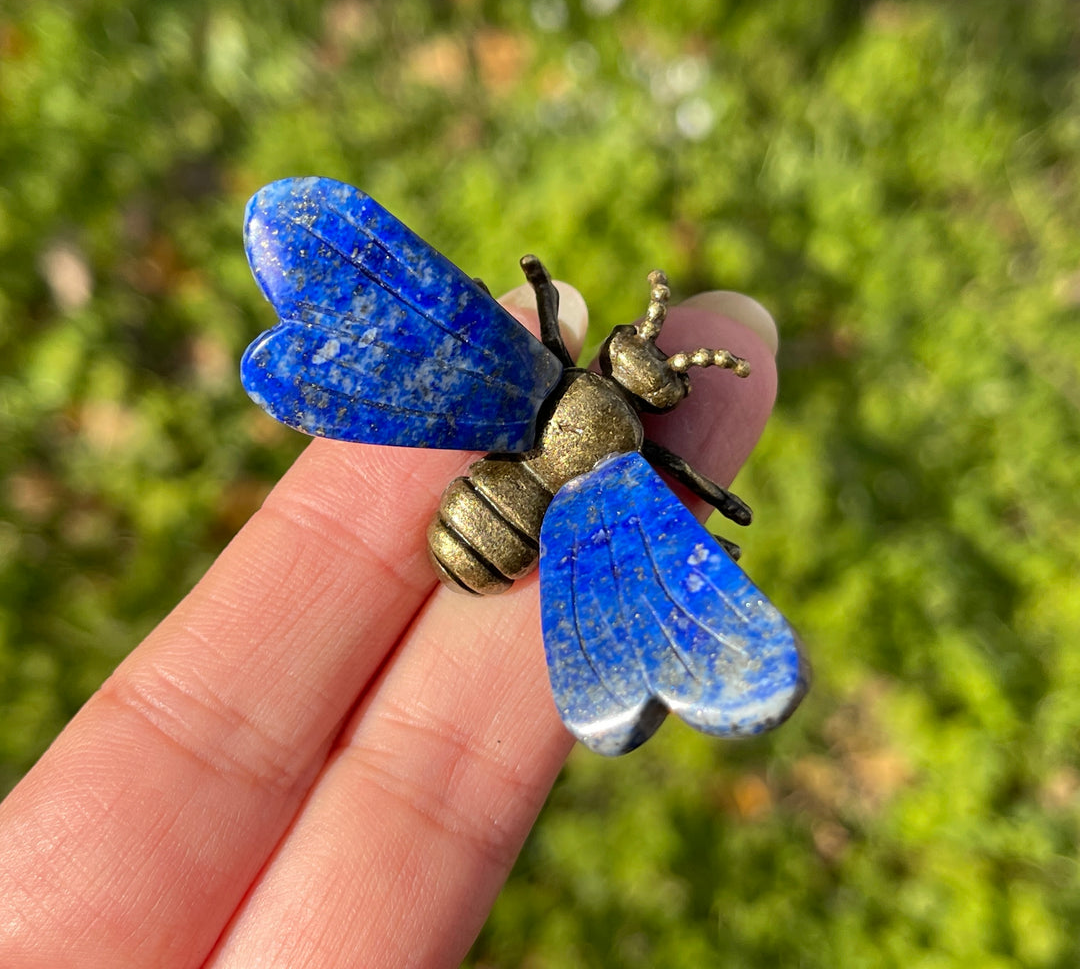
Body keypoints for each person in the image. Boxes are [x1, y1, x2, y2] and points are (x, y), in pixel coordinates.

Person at [0, 284, 779, 968]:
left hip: (479, 515)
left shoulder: (552, 383)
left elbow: (548, 336)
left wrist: (541, 295)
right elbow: (704, 496)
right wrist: (709, 518)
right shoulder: (637, 469)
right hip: (494, 532)